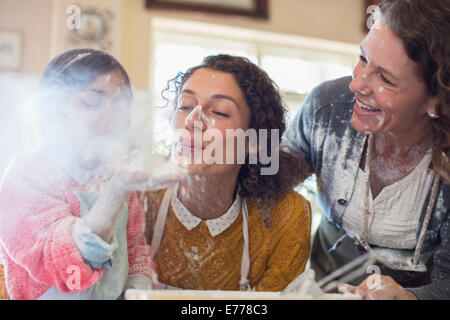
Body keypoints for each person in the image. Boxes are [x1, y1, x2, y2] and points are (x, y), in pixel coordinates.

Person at [283, 0, 450, 300]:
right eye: (362, 57)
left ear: (438, 99)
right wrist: (238, 157)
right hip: (324, 288)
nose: (356, 84)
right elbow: (279, 169)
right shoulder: (327, 107)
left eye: (386, 79)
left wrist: (409, 298)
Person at [0, 48, 184, 300]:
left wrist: (139, 291)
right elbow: (61, 263)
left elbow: (135, 251)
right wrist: (115, 192)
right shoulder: (27, 175)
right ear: (51, 110)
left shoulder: (114, 176)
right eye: (91, 103)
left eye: (120, 108)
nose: (110, 116)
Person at [141, 54, 312, 291]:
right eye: (185, 106)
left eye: (220, 112)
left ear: (253, 143)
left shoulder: (284, 216)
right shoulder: (137, 199)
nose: (192, 120)